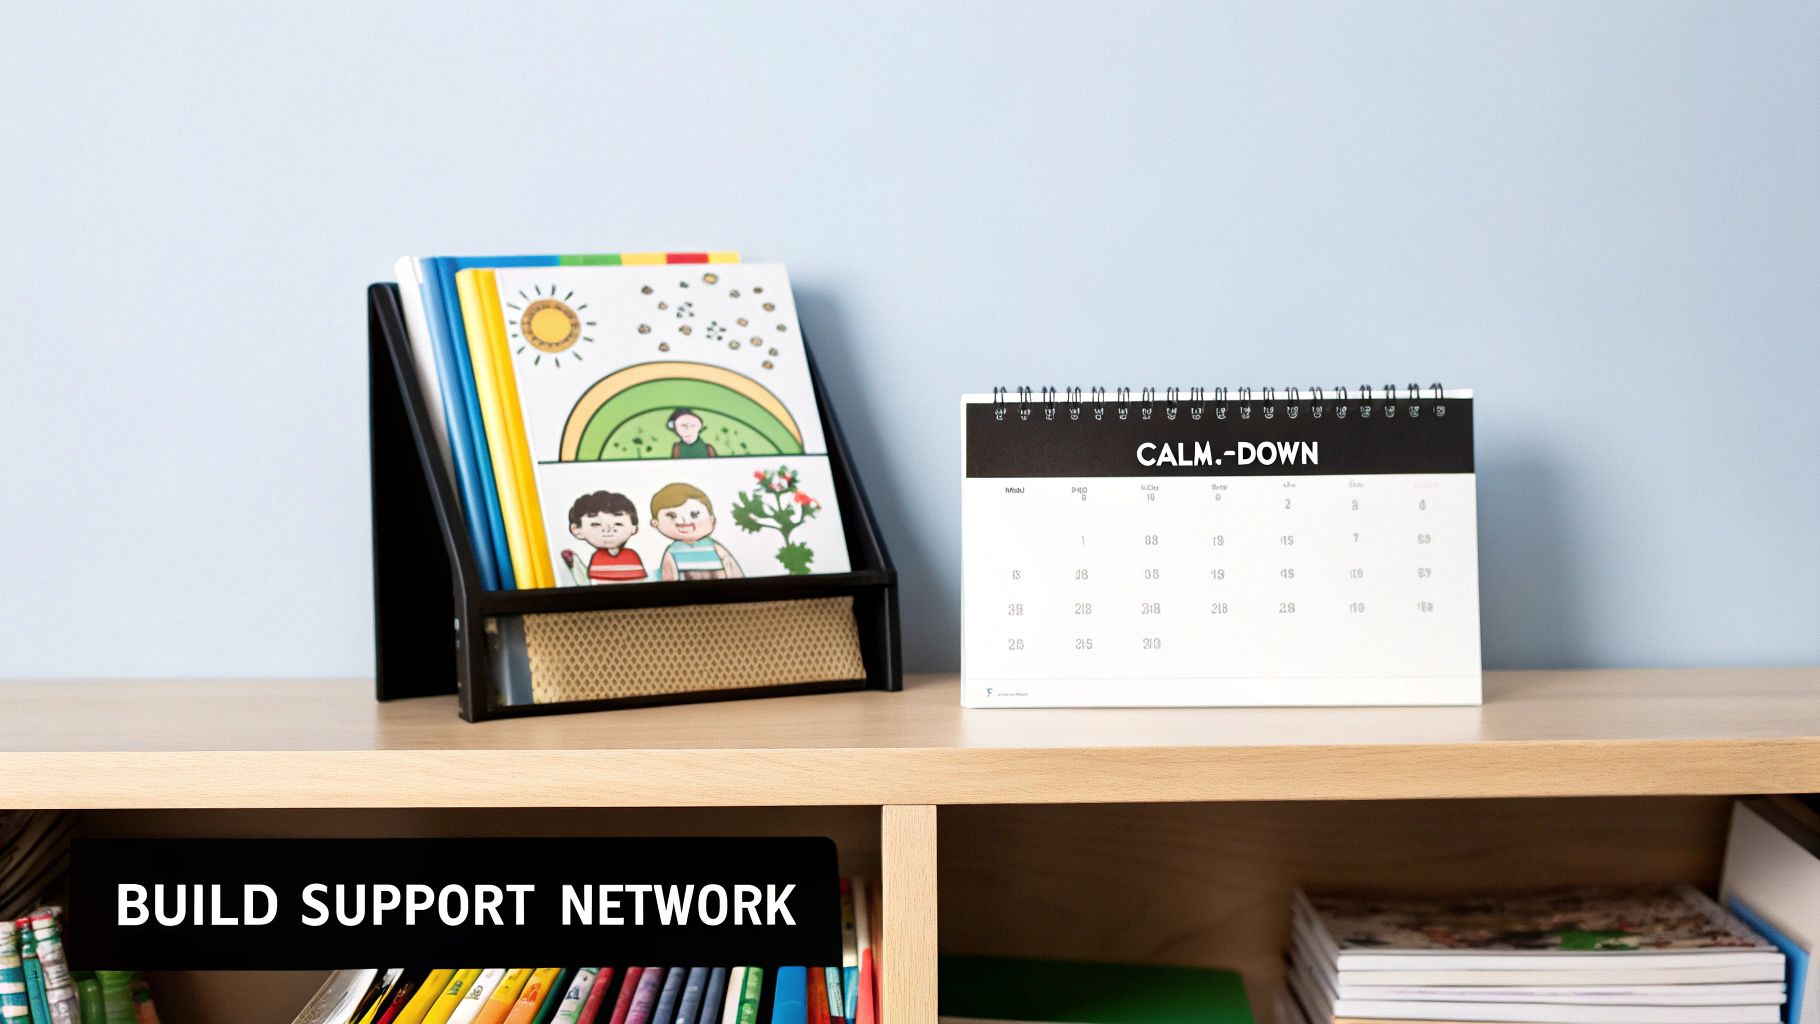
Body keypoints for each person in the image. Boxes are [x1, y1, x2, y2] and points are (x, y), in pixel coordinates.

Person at [650, 483, 744, 581]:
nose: (683, 521)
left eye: (694, 514)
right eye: (672, 515)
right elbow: (669, 576)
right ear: (655, 523)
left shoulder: (714, 547)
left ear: (711, 519)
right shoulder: (672, 551)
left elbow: (731, 567)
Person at [560, 491, 646, 584]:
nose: (608, 530)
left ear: (634, 528)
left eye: (618, 524)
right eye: (596, 524)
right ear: (577, 530)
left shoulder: (631, 556)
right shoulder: (598, 558)